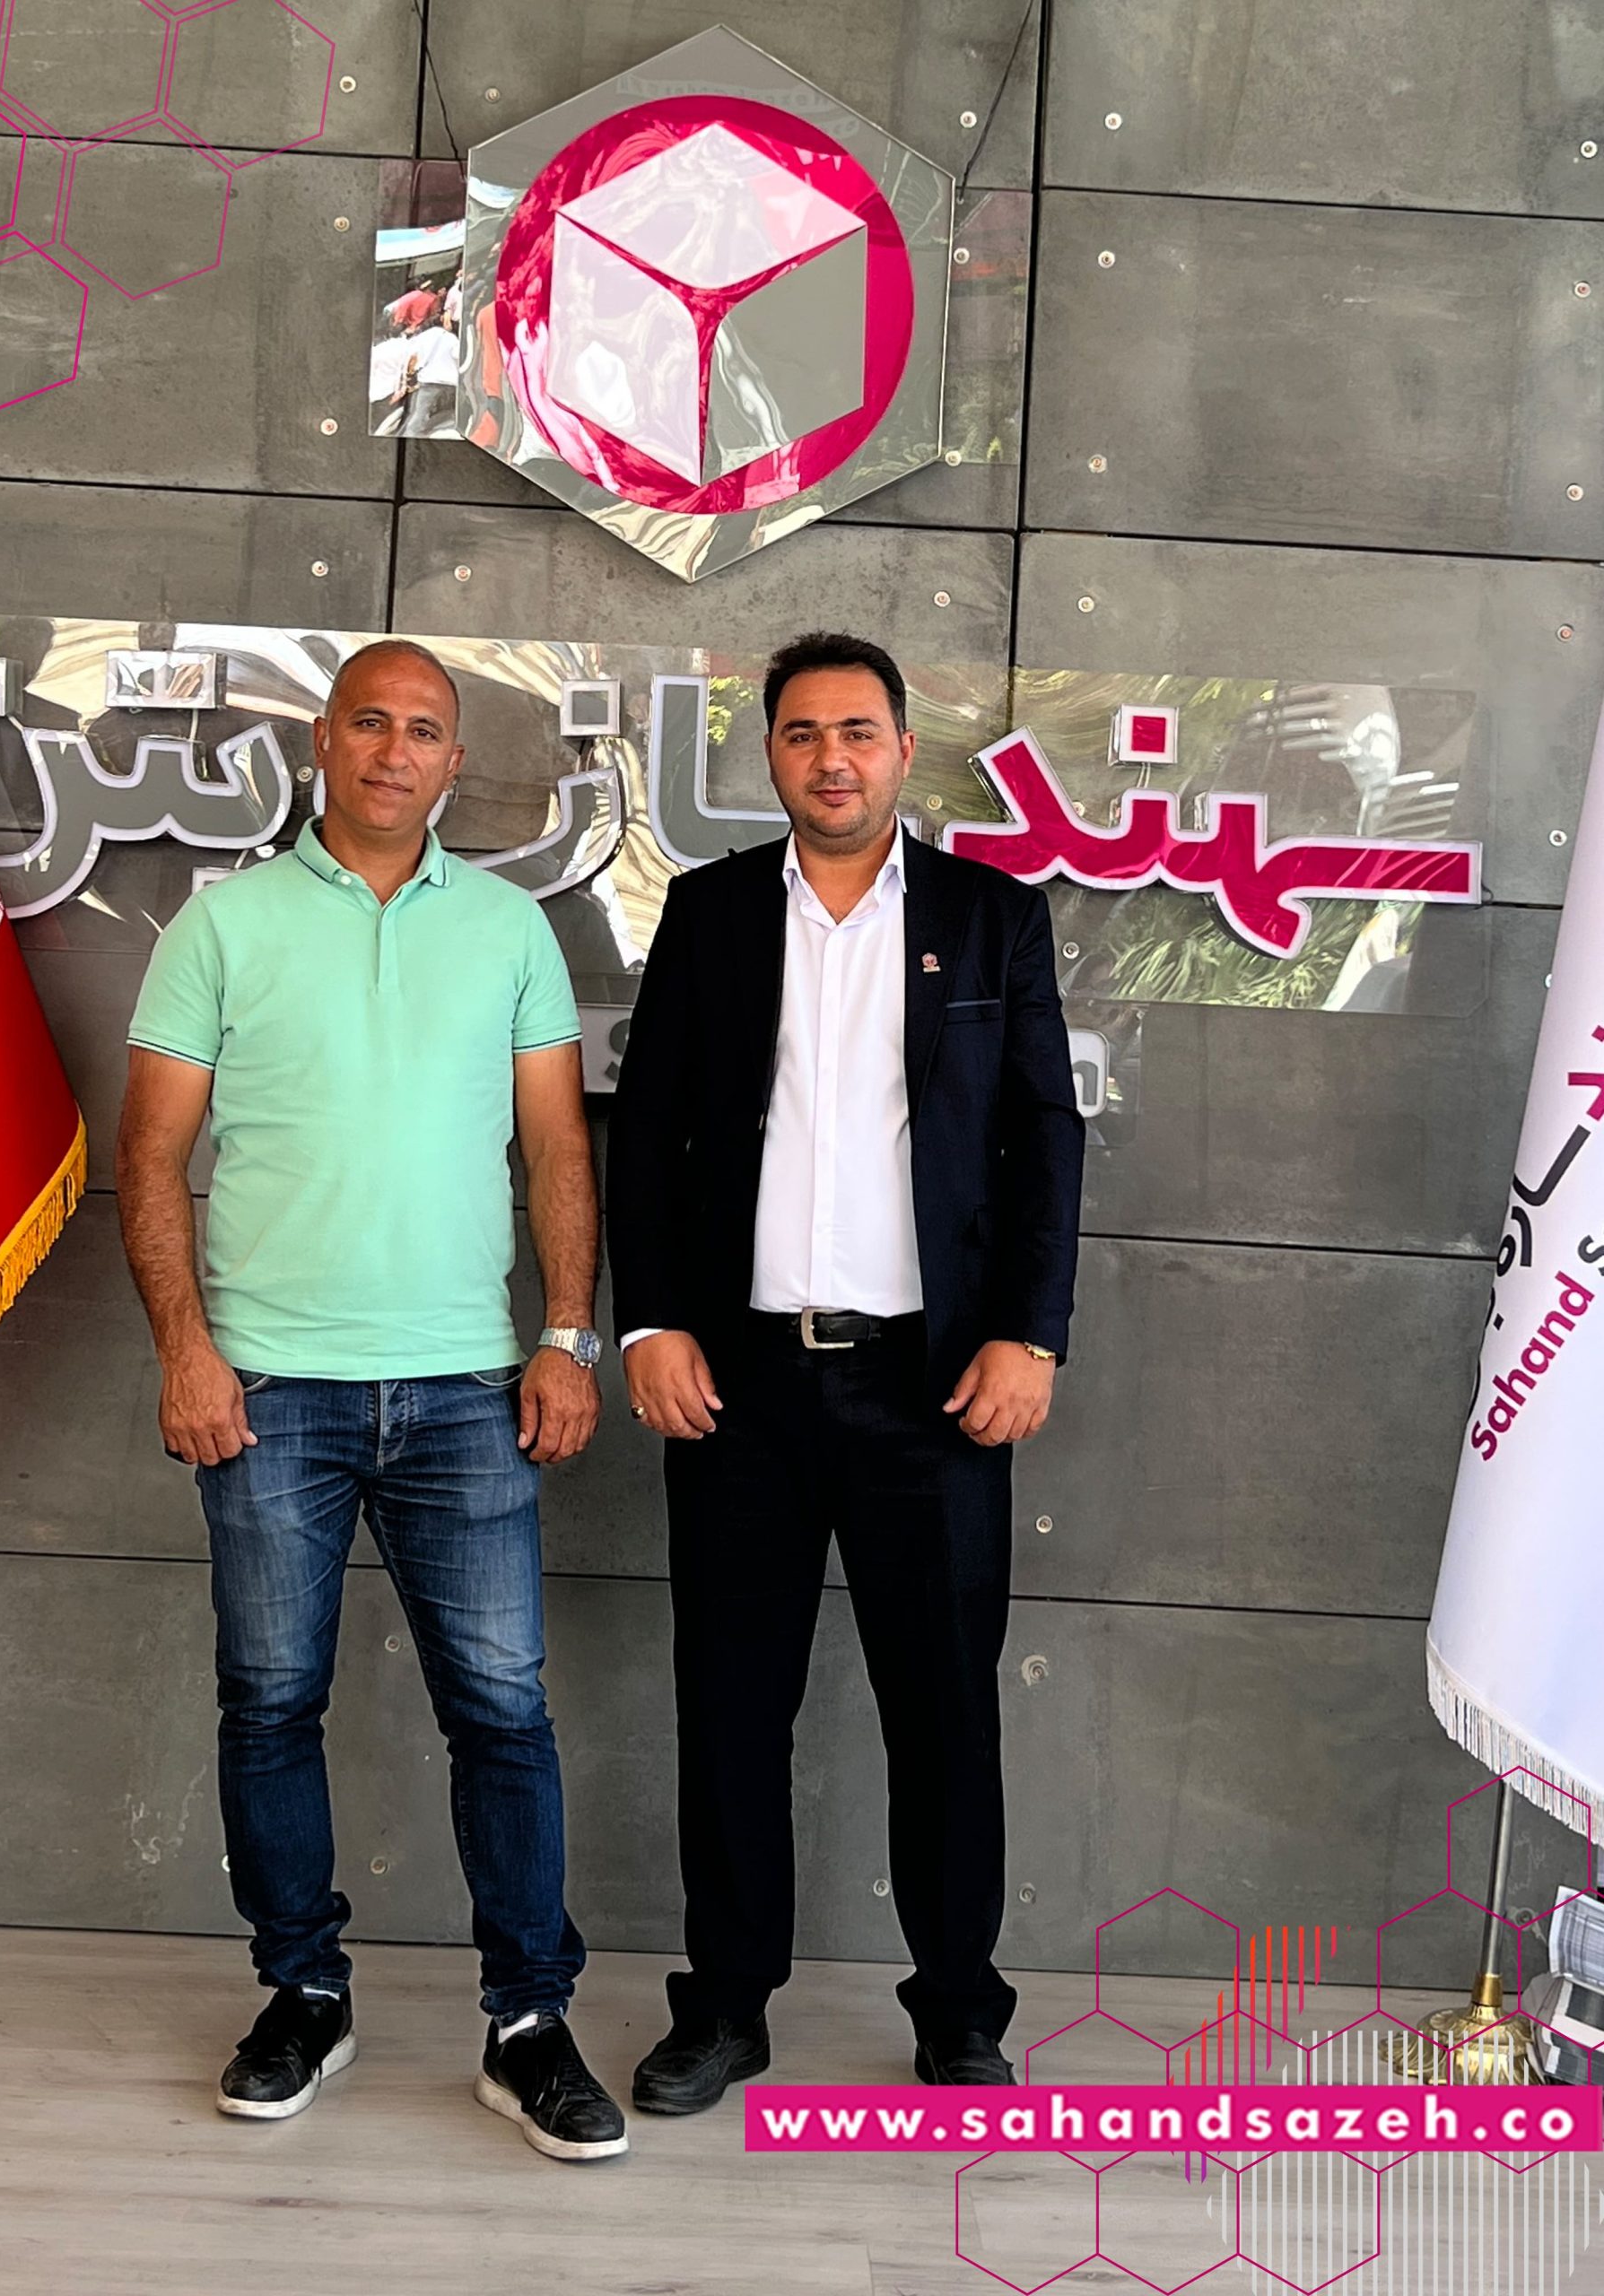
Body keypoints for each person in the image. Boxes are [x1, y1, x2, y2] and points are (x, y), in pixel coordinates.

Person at [116, 640, 625, 2161]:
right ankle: (304, 1996)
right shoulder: (225, 925)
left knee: (505, 1713)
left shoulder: (512, 930)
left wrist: (569, 1336)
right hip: (269, 1389)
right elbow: (148, 1157)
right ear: (323, 743)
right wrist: (187, 1352)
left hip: (468, 1389)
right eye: (371, 723)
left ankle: (527, 2025)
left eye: (425, 731)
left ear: (454, 763)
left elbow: (557, 1147)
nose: (396, 751)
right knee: (271, 1704)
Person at [607, 631, 1085, 2110]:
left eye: (858, 732)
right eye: (804, 733)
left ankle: (959, 2012)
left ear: (903, 749)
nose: (833, 758)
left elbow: (1043, 1137)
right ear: (770, 754)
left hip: (933, 1390)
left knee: (942, 1709)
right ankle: (725, 2009)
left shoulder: (990, 917)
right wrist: (649, 1321)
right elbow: (649, 1128)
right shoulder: (710, 912)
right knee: (731, 1707)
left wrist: (1032, 1332)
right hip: (739, 1384)